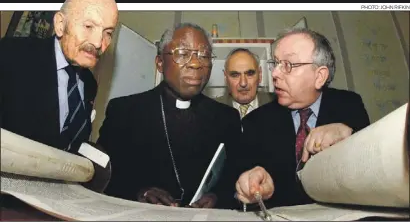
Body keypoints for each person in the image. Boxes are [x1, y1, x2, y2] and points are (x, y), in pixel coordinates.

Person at [97, 22, 242, 208]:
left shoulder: (227, 117)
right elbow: (103, 174)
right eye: (182, 54)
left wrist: (218, 197)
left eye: (204, 55)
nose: (196, 64)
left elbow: (237, 176)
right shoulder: (124, 111)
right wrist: (139, 192)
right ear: (159, 63)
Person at [233, 28, 370, 209]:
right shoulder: (256, 121)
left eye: (288, 65)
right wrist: (252, 188)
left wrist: (350, 135)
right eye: (275, 63)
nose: (274, 74)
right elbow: (238, 189)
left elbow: (372, 169)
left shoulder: (349, 105)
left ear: (319, 76)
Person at [0, 0, 118, 154]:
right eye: (88, 26)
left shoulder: (90, 84)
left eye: (108, 33)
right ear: (60, 24)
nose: (99, 43)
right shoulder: (12, 55)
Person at [215, 48, 274, 119]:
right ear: (225, 78)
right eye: (235, 75)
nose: (243, 83)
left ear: (260, 75)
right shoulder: (212, 110)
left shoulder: (278, 105)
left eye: (250, 74)